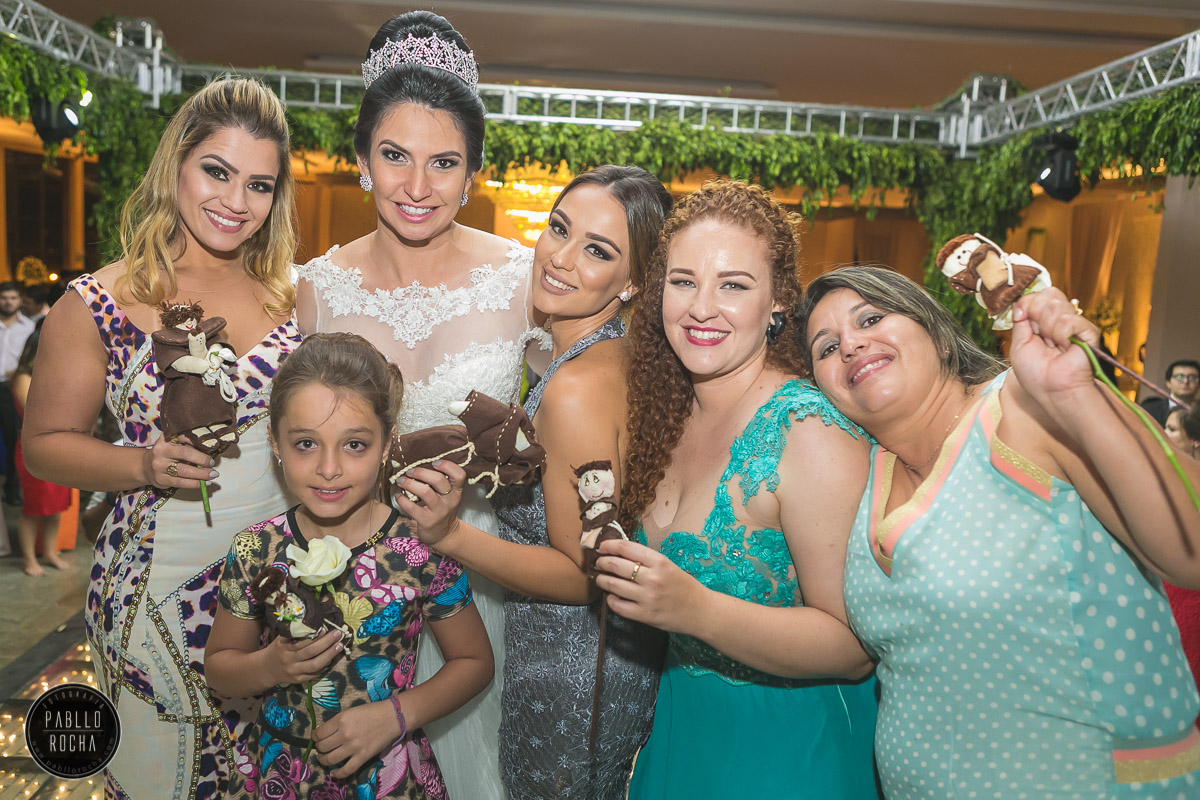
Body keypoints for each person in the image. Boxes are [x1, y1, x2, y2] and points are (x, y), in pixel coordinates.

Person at [797, 265, 1200, 799]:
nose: (850, 345)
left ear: (937, 332)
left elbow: (1191, 549)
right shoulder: (863, 476)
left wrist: (1076, 394)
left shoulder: (1021, 412)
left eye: (871, 318)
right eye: (826, 348)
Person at [22, 78, 301, 798]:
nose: (235, 202)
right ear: (177, 162)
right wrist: (143, 462)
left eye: (259, 185)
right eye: (217, 171)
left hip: (284, 596)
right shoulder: (98, 303)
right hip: (154, 592)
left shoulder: (304, 296)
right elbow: (46, 444)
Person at [295, 12, 548, 797]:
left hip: (482, 581)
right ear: (362, 161)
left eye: (444, 163)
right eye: (395, 157)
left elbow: (577, 420)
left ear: (474, 173)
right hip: (347, 580)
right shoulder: (314, 287)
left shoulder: (525, 278)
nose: (417, 187)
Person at [592, 180, 881, 799]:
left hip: (789, 754)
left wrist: (697, 611)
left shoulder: (808, 431)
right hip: (680, 733)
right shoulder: (668, 415)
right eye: (683, 281)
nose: (701, 307)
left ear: (777, 303)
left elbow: (855, 645)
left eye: (733, 285)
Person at [401, 165, 672, 798]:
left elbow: (584, 572)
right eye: (559, 229)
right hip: (587, 654)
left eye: (597, 250)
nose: (561, 257)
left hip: (572, 665)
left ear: (633, 283)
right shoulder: (592, 357)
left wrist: (449, 534)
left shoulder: (576, 388)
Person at [206, 333, 493, 798]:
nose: (329, 468)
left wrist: (397, 715)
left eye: (355, 445)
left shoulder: (420, 547)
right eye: (305, 444)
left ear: (385, 445)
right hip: (284, 774)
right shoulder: (255, 549)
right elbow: (220, 669)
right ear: (275, 443)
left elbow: (475, 662)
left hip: (390, 778)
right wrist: (271, 666)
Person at [12, 324, 73, 576]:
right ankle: (29, 559)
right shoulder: (23, 378)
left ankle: (49, 552)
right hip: (34, 448)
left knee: (57, 504)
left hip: (61, 446)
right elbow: (34, 414)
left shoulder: (57, 373)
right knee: (33, 506)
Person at [0, 281, 34, 506]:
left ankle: (12, 488)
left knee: (13, 437)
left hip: (12, 389)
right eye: (4, 297)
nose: (8, 302)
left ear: (20, 300)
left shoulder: (29, 327)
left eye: (12, 298)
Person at [1140, 358, 1199, 427]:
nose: (1186, 381)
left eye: (1192, 377)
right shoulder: (1149, 409)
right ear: (1168, 382)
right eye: (1179, 377)